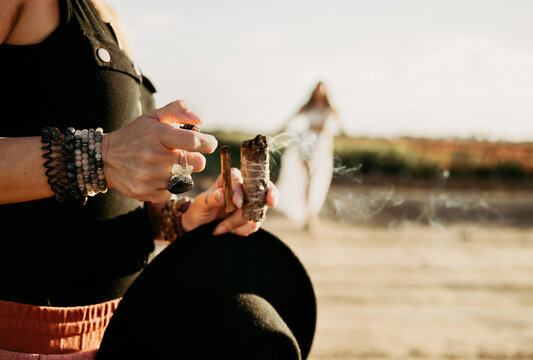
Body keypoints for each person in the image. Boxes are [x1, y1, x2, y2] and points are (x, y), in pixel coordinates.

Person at [0, 0, 316, 359]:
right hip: (29, 340)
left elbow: (125, 203)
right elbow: (111, 159)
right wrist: (101, 156)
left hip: (131, 326)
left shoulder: (113, 20)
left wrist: (184, 217)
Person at [275, 81, 344, 231]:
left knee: (316, 179)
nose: (319, 92)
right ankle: (309, 217)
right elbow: (291, 119)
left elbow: (341, 126)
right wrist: (279, 131)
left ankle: (310, 214)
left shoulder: (330, 108)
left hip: (323, 144)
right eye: (317, 89)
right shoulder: (307, 106)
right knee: (309, 177)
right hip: (307, 142)